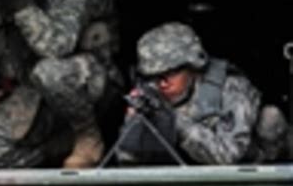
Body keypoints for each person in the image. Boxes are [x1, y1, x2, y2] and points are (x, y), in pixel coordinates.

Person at [0, 0, 122, 169]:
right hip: (34, 87)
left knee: (49, 72)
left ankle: (87, 136)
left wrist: (23, 8)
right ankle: (58, 146)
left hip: (86, 82)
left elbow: (57, 47)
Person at [116, 22, 288, 166]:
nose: (162, 83)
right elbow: (126, 160)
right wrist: (135, 126)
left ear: (193, 67)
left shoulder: (229, 88)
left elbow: (229, 156)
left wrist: (174, 122)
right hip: (184, 170)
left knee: (270, 119)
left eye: (171, 73)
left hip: (245, 166)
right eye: (153, 76)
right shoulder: (150, 92)